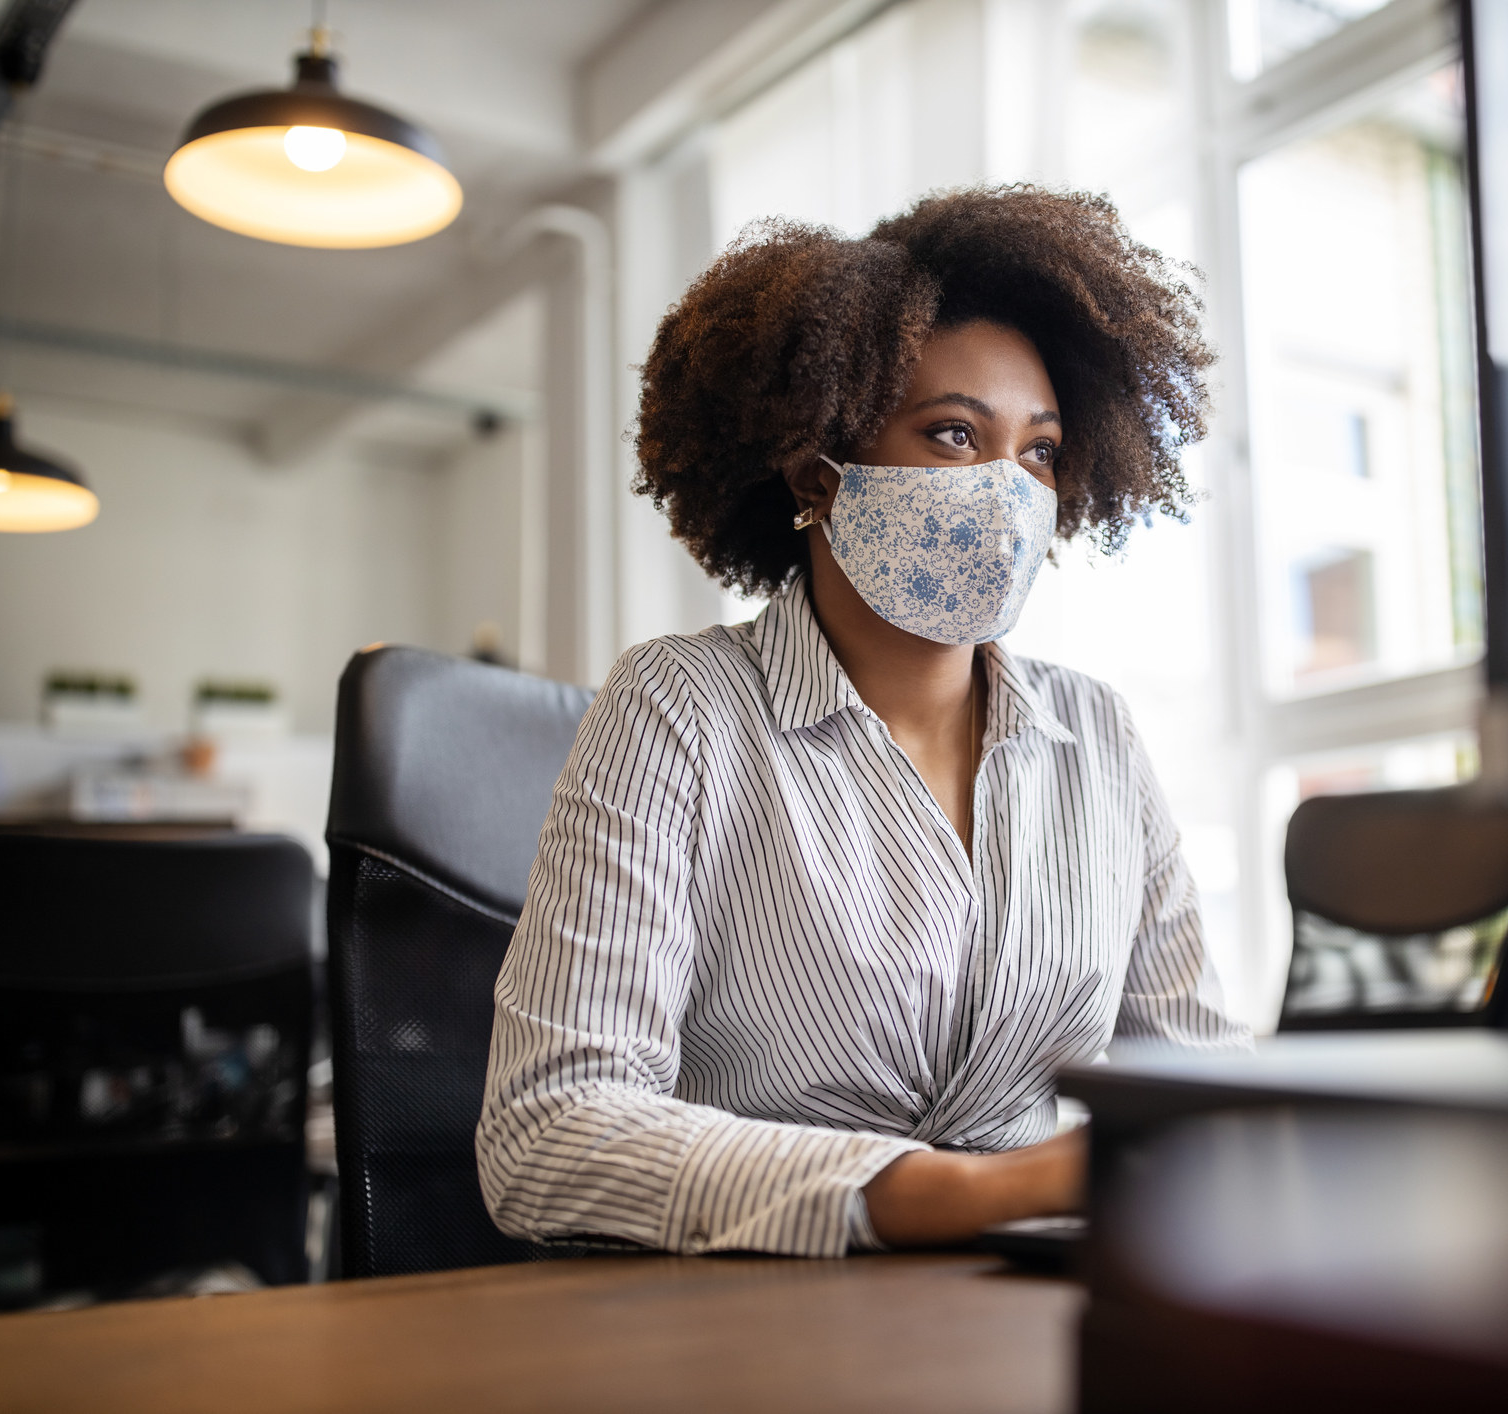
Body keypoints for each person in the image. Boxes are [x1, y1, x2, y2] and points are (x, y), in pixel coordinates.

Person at [476, 185, 1247, 1258]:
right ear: (814, 469)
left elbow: (1203, 1086)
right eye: (951, 434)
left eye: (1037, 453)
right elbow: (547, 1133)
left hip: (1030, 1311)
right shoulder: (680, 708)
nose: (1006, 492)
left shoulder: (1097, 736)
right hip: (752, 1323)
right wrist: (973, 1192)